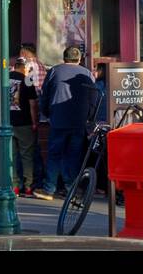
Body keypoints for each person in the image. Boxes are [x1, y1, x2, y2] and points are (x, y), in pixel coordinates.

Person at [39, 46, 96, 197]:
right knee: (74, 155)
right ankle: (72, 187)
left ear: (64, 58)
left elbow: (45, 95)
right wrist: (88, 117)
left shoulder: (55, 71)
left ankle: (49, 189)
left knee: (54, 154)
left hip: (58, 119)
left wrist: (47, 113)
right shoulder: (87, 73)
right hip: (79, 121)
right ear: (79, 59)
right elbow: (93, 99)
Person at [8, 57, 43, 198]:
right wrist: (35, 122)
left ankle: (14, 186)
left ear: (15, 66)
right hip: (24, 123)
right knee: (27, 156)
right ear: (24, 68)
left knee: (10, 156)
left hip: (7, 123)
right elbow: (33, 104)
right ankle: (28, 187)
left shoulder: (3, 78)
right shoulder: (27, 80)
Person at [17, 43, 48, 190]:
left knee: (28, 151)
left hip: (26, 113)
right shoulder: (41, 65)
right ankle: (37, 180)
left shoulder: (28, 66)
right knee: (32, 149)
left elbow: (29, 91)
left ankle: (31, 181)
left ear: (25, 53)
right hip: (38, 111)